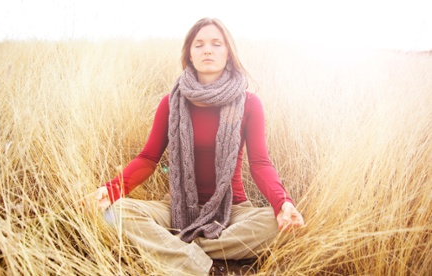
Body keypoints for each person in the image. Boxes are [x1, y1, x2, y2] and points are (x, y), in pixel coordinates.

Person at [95, 17, 304, 275]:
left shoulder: (249, 103)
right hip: (177, 206)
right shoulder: (171, 103)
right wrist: (111, 190)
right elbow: (148, 159)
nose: (207, 49)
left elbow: (260, 164)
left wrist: (283, 203)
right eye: (199, 44)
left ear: (228, 54)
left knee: (276, 224)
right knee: (114, 213)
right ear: (189, 55)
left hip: (232, 209)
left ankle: (180, 250)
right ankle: (204, 263)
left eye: (217, 44)